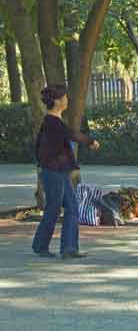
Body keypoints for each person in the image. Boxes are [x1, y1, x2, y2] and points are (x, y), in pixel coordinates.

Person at [32, 85, 100, 259]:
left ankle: (69, 248)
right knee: (54, 209)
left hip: (58, 171)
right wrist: (91, 142)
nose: (67, 100)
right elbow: (73, 135)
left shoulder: (53, 122)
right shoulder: (53, 122)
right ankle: (41, 246)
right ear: (56, 101)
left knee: (71, 207)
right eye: (64, 97)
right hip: (53, 172)